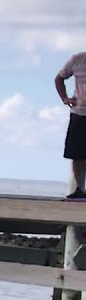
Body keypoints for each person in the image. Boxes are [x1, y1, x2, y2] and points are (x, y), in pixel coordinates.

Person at [55, 51, 86, 200]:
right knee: (76, 154)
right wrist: (65, 98)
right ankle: (80, 189)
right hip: (79, 113)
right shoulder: (77, 60)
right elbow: (59, 78)